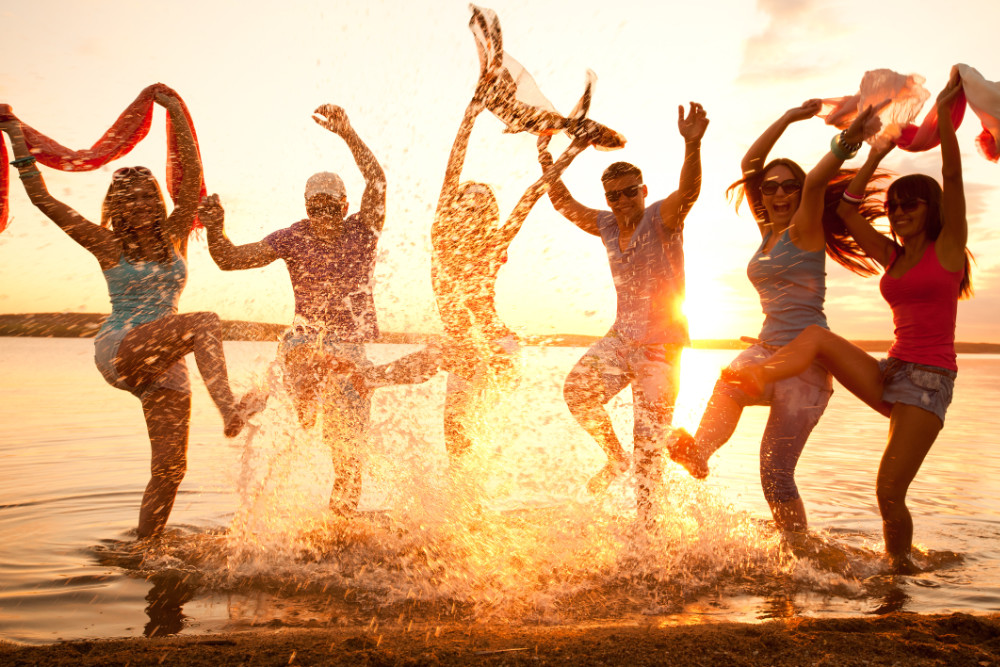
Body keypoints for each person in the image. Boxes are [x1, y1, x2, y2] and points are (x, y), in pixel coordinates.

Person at [726, 74, 972, 573]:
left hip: (928, 384)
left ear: (931, 210)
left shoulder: (947, 252)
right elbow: (846, 208)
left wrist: (944, 120)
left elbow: (952, 173)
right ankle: (761, 372)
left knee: (887, 492)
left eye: (910, 205)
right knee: (816, 337)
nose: (898, 212)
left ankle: (899, 569)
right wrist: (876, 155)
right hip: (892, 371)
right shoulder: (893, 257)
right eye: (895, 205)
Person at [1, 93, 255, 540]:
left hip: (166, 359)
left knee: (171, 469)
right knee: (205, 322)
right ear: (116, 205)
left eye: (145, 197)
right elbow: (42, 198)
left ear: (157, 201)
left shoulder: (177, 233)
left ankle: (145, 549)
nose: (138, 205)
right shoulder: (106, 244)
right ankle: (230, 410)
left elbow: (192, 175)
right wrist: (15, 137)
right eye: (128, 199)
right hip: (122, 348)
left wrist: (175, 112)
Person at [668, 100, 882, 532]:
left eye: (789, 186)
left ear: (800, 194)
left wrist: (849, 141)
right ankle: (699, 453)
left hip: (806, 362)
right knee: (729, 383)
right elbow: (751, 163)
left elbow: (819, 180)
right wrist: (788, 117)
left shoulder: (806, 228)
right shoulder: (767, 231)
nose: (779, 193)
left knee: (775, 475)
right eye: (771, 187)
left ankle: (799, 553)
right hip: (765, 350)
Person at [202, 104, 393, 514]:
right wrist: (216, 228)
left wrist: (348, 133)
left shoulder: (364, 229)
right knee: (305, 345)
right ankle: (306, 400)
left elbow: (376, 179)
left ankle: (341, 523)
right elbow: (229, 259)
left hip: (351, 354)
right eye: (314, 205)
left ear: (344, 205)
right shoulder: (293, 237)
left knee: (348, 455)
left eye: (329, 205)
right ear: (306, 206)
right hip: (304, 341)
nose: (321, 213)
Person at [540, 102, 709, 521]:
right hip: (621, 339)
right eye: (613, 196)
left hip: (660, 348)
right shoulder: (608, 226)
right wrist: (545, 157)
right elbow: (564, 204)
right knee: (577, 392)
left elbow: (688, 192)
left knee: (647, 448)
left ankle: (648, 535)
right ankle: (616, 459)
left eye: (629, 191)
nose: (622, 201)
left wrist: (692, 144)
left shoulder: (662, 219)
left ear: (644, 190)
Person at [432, 75, 592, 467]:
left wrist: (570, 150)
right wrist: (469, 116)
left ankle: (470, 507)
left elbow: (533, 192)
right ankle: (467, 506)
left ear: (490, 214)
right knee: (458, 434)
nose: (474, 205)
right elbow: (453, 168)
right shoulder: (440, 234)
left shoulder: (495, 241)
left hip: (495, 344)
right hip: (471, 345)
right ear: (455, 207)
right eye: (467, 200)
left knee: (461, 427)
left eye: (483, 203)